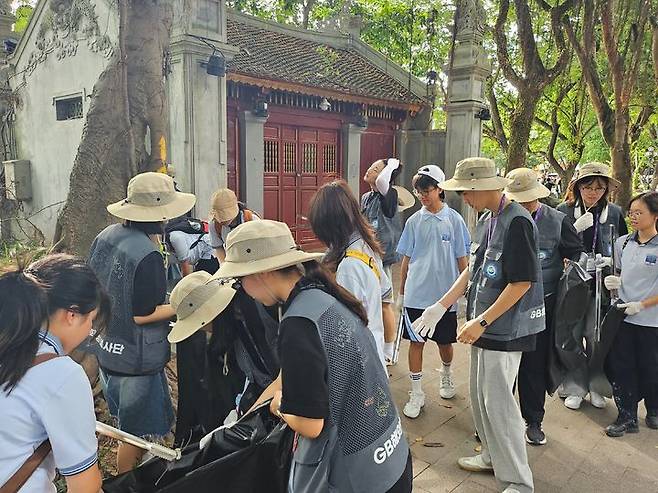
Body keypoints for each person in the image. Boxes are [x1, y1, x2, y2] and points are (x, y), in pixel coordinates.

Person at [213, 219, 412, 492]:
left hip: (355, 477)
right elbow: (285, 379)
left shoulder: (297, 324)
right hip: (390, 456)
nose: (242, 289)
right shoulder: (324, 296)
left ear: (261, 273)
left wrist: (279, 406)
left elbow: (310, 425)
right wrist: (245, 417)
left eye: (240, 280)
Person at [415, 157, 544, 493]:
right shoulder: (488, 218)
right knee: (480, 396)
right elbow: (473, 269)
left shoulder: (518, 222)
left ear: (482, 187)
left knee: (500, 403)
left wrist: (483, 320)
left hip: (504, 329)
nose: (463, 198)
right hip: (482, 326)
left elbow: (522, 283)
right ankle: (490, 456)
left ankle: (518, 480)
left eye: (466, 192)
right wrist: (441, 305)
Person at [88, 171, 195, 473]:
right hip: (136, 359)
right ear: (161, 214)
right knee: (134, 437)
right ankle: (126, 482)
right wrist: (179, 306)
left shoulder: (106, 236)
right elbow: (143, 314)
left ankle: (143, 474)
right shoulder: (147, 254)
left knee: (127, 422)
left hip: (107, 349)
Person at [0, 254, 109, 493]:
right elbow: (85, 487)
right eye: (91, 320)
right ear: (72, 315)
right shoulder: (62, 375)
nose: (90, 329)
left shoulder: (8, 344)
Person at [505, 168, 583, 445]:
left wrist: (570, 267)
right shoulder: (500, 219)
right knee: (504, 368)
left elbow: (576, 253)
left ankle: (533, 421)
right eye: (517, 199)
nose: (522, 204)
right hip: (506, 307)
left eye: (527, 199)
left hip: (542, 307)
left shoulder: (557, 221)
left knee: (533, 367)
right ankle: (498, 420)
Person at [168, 271, 280, 443]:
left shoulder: (256, 312)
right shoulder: (233, 329)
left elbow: (284, 374)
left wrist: (244, 422)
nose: (204, 331)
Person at [396, 165, 470, 418]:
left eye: (426, 191)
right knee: (415, 343)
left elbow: (463, 259)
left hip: (444, 297)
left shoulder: (455, 220)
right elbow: (406, 259)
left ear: (440, 189)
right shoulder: (414, 221)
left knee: (445, 342)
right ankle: (416, 392)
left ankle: (446, 374)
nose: (422, 196)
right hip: (417, 294)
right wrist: (402, 293)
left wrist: (464, 291)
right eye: (419, 192)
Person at [556, 162, 628, 410]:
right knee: (572, 334)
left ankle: (597, 384)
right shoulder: (563, 212)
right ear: (577, 187)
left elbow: (622, 247)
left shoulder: (615, 213)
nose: (593, 192)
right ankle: (575, 384)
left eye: (599, 187)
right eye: (588, 187)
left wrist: (615, 270)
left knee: (596, 334)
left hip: (602, 283)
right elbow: (555, 247)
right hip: (573, 282)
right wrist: (573, 232)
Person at [308, 179, 392, 368]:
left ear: (329, 225)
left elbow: (345, 330)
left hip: (359, 365)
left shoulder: (348, 267)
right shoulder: (365, 245)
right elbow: (386, 295)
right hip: (373, 352)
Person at [603, 191, 658, 437]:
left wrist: (643, 305)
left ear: (654, 216)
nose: (633, 217)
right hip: (623, 316)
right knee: (622, 365)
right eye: (631, 212)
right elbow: (619, 270)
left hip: (651, 320)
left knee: (651, 366)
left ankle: (654, 409)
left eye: (639, 213)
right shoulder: (623, 242)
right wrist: (614, 282)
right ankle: (626, 416)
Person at [362, 158, 404, 363]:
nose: (370, 169)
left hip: (382, 257)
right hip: (367, 256)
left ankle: (389, 350)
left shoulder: (389, 195)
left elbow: (381, 183)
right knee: (371, 301)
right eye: (372, 166)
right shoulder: (366, 197)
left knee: (385, 302)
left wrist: (392, 165)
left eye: (376, 168)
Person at [208, 188, 259, 262]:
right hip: (231, 261)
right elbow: (219, 249)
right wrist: (224, 268)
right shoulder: (214, 225)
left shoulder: (251, 220)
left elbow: (262, 247)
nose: (222, 221)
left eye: (225, 217)